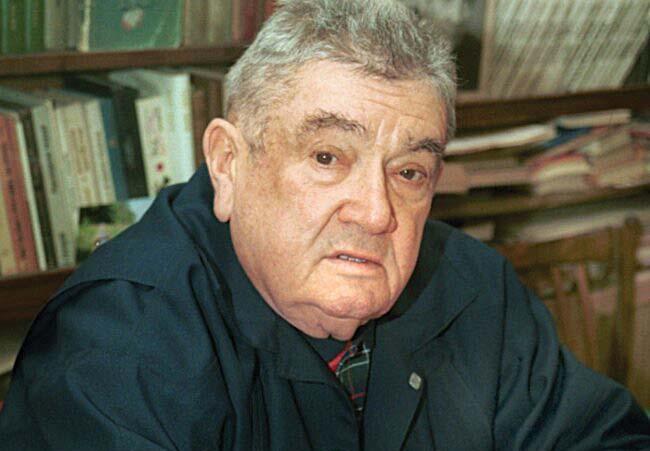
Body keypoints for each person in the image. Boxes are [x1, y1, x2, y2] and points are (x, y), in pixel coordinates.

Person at [1, 0, 649, 449]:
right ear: (229, 163)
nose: (376, 212)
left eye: (409, 172)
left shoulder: (474, 285)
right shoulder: (120, 341)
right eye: (327, 158)